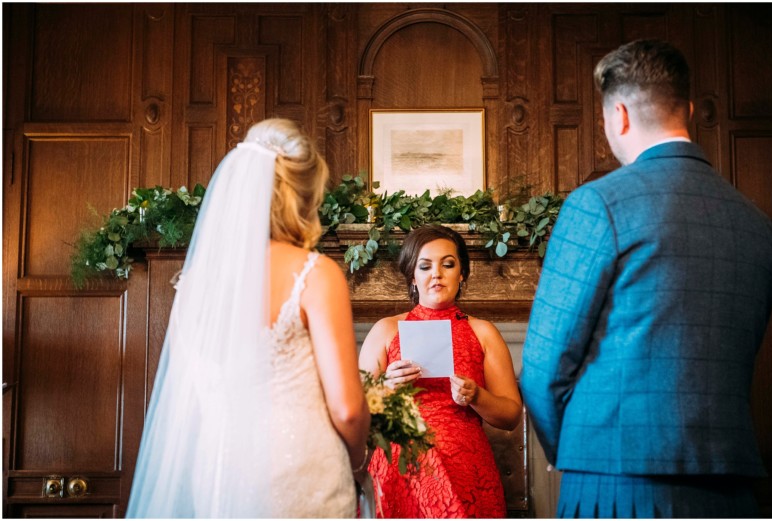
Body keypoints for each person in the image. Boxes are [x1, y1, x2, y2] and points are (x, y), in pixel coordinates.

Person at [520, 39, 772, 518]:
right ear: (690, 109)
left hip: (616, 485)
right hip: (731, 487)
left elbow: (541, 367)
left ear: (618, 115)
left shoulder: (598, 205)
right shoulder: (757, 223)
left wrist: (577, 450)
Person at [126, 118, 370, 517]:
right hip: (299, 471)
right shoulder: (314, 273)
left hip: (216, 470)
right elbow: (347, 408)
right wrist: (359, 463)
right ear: (304, 198)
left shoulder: (193, 286)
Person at [359, 224, 523, 518]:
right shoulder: (386, 329)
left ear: (461, 274)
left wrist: (476, 396)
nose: (437, 273)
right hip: (398, 471)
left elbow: (511, 416)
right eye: (425, 266)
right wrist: (385, 387)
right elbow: (352, 412)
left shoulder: (482, 332)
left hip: (465, 469)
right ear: (413, 276)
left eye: (448, 264)